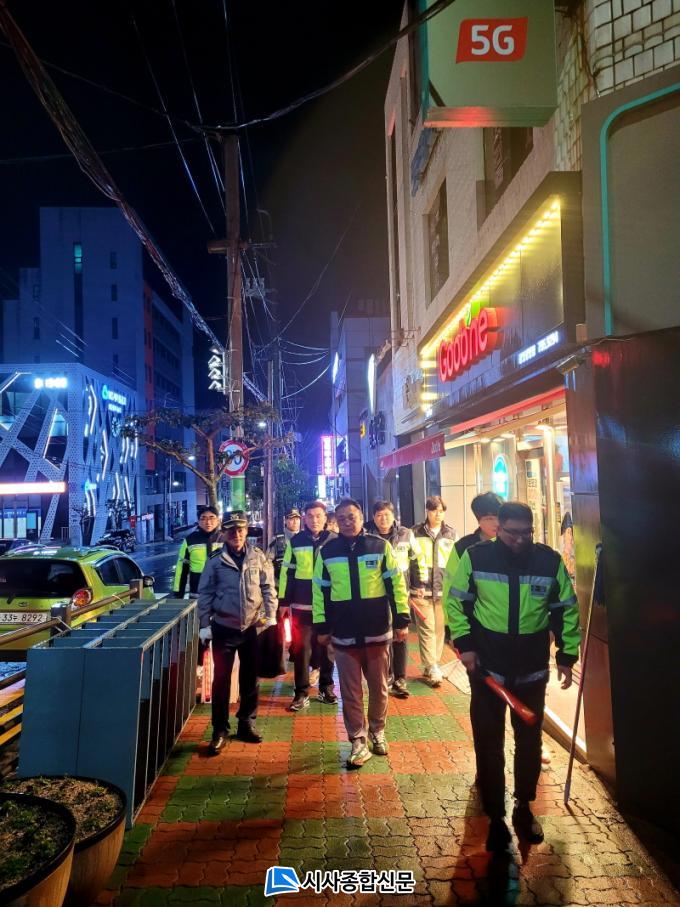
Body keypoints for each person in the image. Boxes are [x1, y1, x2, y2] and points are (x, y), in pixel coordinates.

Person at [445, 501, 580, 851]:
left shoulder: (549, 561)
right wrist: (465, 645)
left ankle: (523, 805)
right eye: (512, 533)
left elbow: (565, 609)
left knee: (529, 742)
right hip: (487, 670)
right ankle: (495, 816)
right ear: (498, 529)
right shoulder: (476, 558)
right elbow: (456, 603)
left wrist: (567, 655)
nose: (519, 540)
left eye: (526, 533)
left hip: (531, 670)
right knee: (489, 743)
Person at [313, 498, 410, 767]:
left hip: (376, 632)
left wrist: (402, 620)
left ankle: (377, 731)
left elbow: (397, 585)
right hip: (343, 633)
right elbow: (319, 591)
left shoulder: (379, 546)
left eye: (352, 516)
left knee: (379, 687)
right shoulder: (327, 551)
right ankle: (357, 739)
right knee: (350, 691)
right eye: (342, 518)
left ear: (361, 516)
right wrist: (322, 627)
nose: (347, 522)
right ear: (336, 521)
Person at [197, 511, 277, 753]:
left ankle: (246, 723)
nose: (236, 534)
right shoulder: (215, 561)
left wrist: (271, 615)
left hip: (252, 627)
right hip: (224, 627)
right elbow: (205, 593)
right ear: (224, 533)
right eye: (231, 530)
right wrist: (204, 625)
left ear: (246, 531)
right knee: (221, 681)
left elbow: (268, 587)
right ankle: (219, 729)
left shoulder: (258, 556)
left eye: (240, 529)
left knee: (250, 679)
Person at [279, 500, 337, 711]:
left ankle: (326, 688)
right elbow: (287, 572)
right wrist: (283, 601)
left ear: (325, 518)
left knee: (327, 648)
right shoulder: (296, 541)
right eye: (310, 516)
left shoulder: (334, 540)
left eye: (318, 516)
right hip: (301, 605)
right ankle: (301, 693)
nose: (314, 520)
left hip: (328, 605)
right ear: (305, 519)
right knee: (301, 649)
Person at [365, 500, 425, 699]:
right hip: (376, 595)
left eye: (387, 515)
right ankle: (387, 674)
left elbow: (416, 559)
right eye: (379, 515)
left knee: (401, 634)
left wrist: (418, 584)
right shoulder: (366, 536)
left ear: (394, 516)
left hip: (400, 592)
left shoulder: (406, 534)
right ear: (373, 517)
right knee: (383, 636)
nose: (383, 519)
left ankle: (400, 678)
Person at [412, 496, 457, 687]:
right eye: (433, 510)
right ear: (427, 511)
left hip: (443, 589)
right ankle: (431, 666)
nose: (437, 514)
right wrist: (414, 585)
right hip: (421, 589)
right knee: (427, 628)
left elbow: (455, 562)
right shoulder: (415, 532)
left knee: (439, 629)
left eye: (441, 511)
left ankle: (433, 664)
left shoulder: (451, 534)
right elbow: (411, 560)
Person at [442, 492, 503, 604]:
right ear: (478, 520)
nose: (496, 523)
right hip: (470, 611)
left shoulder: (512, 545)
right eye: (489, 519)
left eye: (499, 517)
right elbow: (450, 588)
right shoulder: (464, 547)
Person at [173, 506, 222, 597]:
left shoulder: (226, 539)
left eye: (212, 518)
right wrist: (178, 593)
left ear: (218, 520)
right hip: (197, 595)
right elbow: (181, 568)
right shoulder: (190, 540)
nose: (208, 522)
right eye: (203, 518)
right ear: (198, 521)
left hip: (222, 595)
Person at [266, 508, 302, 583]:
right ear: (285, 521)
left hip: (301, 585)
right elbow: (267, 564)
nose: (295, 522)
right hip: (281, 584)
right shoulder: (277, 540)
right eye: (291, 519)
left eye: (297, 519)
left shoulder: (305, 538)